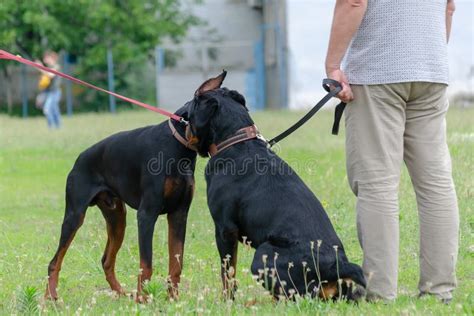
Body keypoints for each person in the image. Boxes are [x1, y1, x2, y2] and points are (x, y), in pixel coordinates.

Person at [325, 0, 459, 303]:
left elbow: (353, 1)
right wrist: (427, 56)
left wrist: (333, 65)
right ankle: (439, 292)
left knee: (377, 185)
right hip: (431, 69)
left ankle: (379, 291)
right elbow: (449, 8)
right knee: (436, 184)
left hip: (379, 70)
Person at [38, 51, 62, 128]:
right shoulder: (48, 68)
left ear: (52, 58)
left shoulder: (56, 66)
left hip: (54, 92)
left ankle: (51, 127)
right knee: (54, 110)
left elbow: (50, 75)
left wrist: (40, 67)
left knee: (47, 109)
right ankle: (58, 127)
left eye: (46, 58)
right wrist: (39, 66)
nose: (45, 59)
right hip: (48, 92)